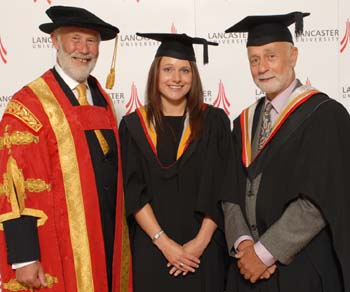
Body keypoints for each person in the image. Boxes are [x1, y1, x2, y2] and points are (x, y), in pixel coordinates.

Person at [0, 5, 132, 292]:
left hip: (107, 236)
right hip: (59, 242)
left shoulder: (102, 99)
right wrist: (24, 257)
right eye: (75, 38)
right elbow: (13, 185)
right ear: (55, 41)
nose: (83, 49)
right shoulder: (29, 105)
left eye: (91, 41)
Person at [221, 11, 350, 292]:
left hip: (302, 268)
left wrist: (265, 252)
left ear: (293, 56)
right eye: (254, 60)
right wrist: (244, 245)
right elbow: (229, 191)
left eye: (271, 56)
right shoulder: (243, 121)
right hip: (247, 272)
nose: (262, 67)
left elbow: (319, 199)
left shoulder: (325, 116)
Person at [119, 32, 231, 292]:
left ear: (194, 76)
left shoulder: (214, 122)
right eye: (168, 69)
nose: (176, 78)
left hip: (204, 251)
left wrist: (199, 244)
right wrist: (165, 243)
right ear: (155, 74)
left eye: (184, 70)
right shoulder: (134, 125)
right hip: (152, 249)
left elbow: (223, 185)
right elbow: (133, 191)